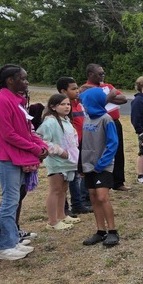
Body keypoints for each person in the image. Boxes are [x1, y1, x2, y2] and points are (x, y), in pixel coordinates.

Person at [0, 65, 46, 260]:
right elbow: (8, 134)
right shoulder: (2, 100)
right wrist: (35, 149)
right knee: (10, 201)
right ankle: (3, 246)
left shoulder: (16, 100)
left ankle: (12, 240)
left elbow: (27, 130)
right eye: (23, 78)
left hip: (17, 156)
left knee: (13, 200)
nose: (26, 82)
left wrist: (41, 144)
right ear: (11, 80)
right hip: (6, 157)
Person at [79, 87, 120, 248]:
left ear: (93, 101)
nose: (83, 106)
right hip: (88, 165)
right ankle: (100, 231)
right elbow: (84, 143)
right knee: (94, 197)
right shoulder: (87, 118)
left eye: (85, 102)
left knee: (103, 197)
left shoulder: (106, 119)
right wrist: (81, 165)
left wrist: (101, 164)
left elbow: (112, 143)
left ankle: (112, 231)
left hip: (102, 165)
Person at [36, 94, 81, 230]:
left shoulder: (66, 120)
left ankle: (62, 215)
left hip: (68, 162)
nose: (67, 107)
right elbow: (42, 140)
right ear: (53, 107)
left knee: (63, 189)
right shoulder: (50, 122)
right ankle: (52, 221)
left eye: (68, 104)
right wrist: (60, 151)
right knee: (55, 190)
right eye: (62, 104)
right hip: (57, 162)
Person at [85, 63, 130, 191]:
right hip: (98, 124)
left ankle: (118, 182)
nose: (103, 75)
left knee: (118, 151)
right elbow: (96, 103)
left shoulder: (107, 86)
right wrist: (110, 96)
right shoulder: (86, 88)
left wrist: (106, 98)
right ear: (90, 75)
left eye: (103, 73)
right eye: (100, 73)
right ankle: (102, 181)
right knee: (101, 151)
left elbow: (123, 99)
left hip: (114, 122)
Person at [57, 77, 91, 215]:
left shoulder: (77, 104)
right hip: (66, 147)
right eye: (73, 89)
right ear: (63, 91)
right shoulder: (62, 108)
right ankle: (64, 208)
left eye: (77, 88)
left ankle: (78, 204)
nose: (77, 91)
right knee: (65, 177)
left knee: (76, 175)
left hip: (79, 144)